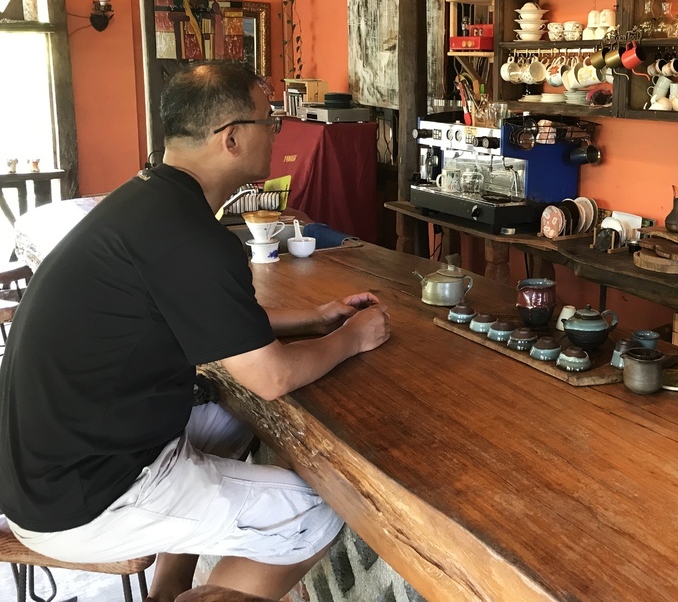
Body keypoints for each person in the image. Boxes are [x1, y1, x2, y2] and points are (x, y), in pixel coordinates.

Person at [0, 63, 391, 601]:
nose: (276, 132)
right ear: (231, 138)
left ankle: (166, 591)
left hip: (43, 472)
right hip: (85, 496)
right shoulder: (190, 237)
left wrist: (314, 317)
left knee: (229, 421)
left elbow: (204, 319)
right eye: (269, 120)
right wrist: (353, 337)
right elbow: (271, 376)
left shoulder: (147, 204)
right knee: (314, 514)